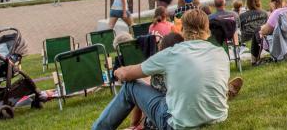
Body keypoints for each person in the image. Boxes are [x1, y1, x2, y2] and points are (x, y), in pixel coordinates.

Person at [90, 9, 238, 130]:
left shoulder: (172, 53)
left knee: (130, 86)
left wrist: (118, 71)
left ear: (183, 30)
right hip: (217, 118)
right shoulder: (220, 53)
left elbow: (128, 75)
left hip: (177, 125)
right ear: (208, 30)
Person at [238, 0, 269, 65]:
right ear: (258, 1)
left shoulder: (242, 16)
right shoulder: (264, 13)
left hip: (246, 41)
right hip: (261, 40)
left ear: (247, 3)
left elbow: (238, 30)